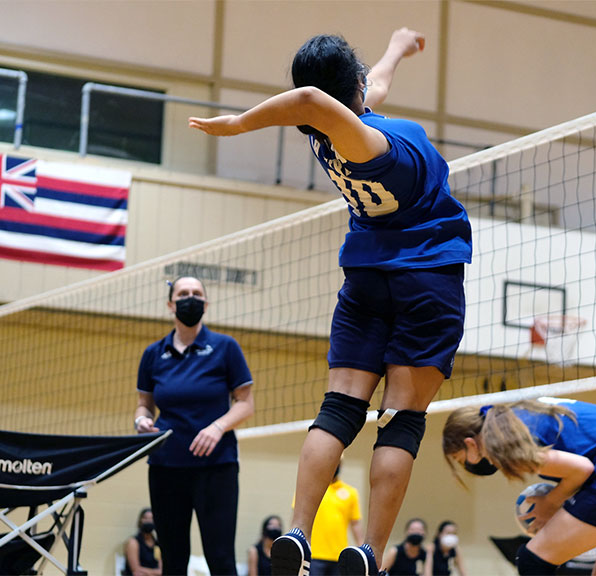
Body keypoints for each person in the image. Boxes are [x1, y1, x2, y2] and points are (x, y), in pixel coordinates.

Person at [190, 27, 471, 576]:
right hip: (427, 277)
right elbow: (314, 99)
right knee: (402, 417)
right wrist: (238, 124)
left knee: (341, 406)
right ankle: (371, 551)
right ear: (354, 89)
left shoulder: (333, 136)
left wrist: (394, 49)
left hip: (366, 275)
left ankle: (298, 529)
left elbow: (339, 98)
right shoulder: (375, 143)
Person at [441, 397, 596, 576]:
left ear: (471, 443)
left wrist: (551, 503)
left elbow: (581, 468)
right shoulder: (519, 413)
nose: (467, 467)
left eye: (462, 460)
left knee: (531, 560)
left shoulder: (508, 439)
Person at [134, 276, 255, 576]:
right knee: (173, 561)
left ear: (206, 303)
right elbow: (144, 404)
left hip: (216, 468)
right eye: (184, 293)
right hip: (166, 467)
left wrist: (217, 427)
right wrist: (141, 420)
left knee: (221, 558)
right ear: (170, 304)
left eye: (197, 293)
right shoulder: (153, 354)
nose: (191, 298)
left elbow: (246, 403)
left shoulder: (225, 347)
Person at [307, 461, 364, 576]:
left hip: (340, 556)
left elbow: (355, 524)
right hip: (314, 554)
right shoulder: (311, 489)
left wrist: (362, 549)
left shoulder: (350, 493)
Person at [122, 508, 162, 576]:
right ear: (140, 521)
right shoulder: (133, 542)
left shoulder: (157, 544)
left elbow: (161, 570)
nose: (148, 521)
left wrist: (148, 573)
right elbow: (136, 570)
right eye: (145, 518)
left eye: (151, 518)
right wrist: (154, 573)